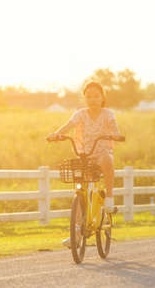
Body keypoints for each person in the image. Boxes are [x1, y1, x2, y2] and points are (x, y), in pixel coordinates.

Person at [47, 81, 123, 247]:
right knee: (80, 191)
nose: (92, 99)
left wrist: (116, 135)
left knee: (107, 160)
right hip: (84, 155)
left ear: (102, 97)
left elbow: (114, 128)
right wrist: (57, 134)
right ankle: (76, 233)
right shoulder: (80, 114)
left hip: (102, 152)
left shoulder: (108, 114)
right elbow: (68, 125)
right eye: (88, 96)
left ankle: (109, 199)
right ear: (84, 98)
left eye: (96, 96)